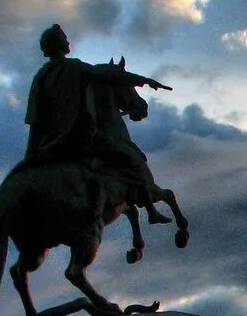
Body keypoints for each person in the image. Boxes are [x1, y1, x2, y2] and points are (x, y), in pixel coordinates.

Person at [23, 25, 172, 223]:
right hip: (80, 139)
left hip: (48, 145)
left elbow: (34, 119)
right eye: (65, 39)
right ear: (60, 44)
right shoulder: (75, 67)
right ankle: (151, 211)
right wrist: (145, 80)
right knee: (132, 159)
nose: (68, 42)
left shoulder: (40, 78)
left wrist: (31, 158)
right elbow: (109, 75)